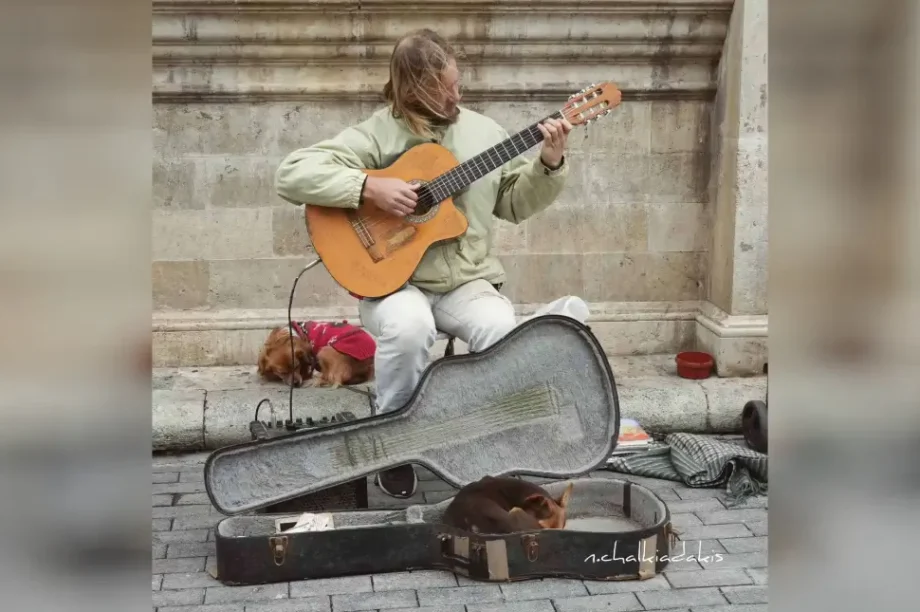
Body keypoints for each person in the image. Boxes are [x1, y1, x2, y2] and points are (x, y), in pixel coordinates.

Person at [274, 28, 573, 498]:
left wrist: (549, 164)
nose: (458, 92)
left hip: (467, 280)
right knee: (410, 329)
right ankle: (394, 443)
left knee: (501, 329)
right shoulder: (376, 134)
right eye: (447, 86)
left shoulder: (485, 132)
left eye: (457, 81)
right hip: (394, 282)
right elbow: (292, 174)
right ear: (416, 88)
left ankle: (490, 441)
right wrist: (369, 188)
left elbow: (513, 204)